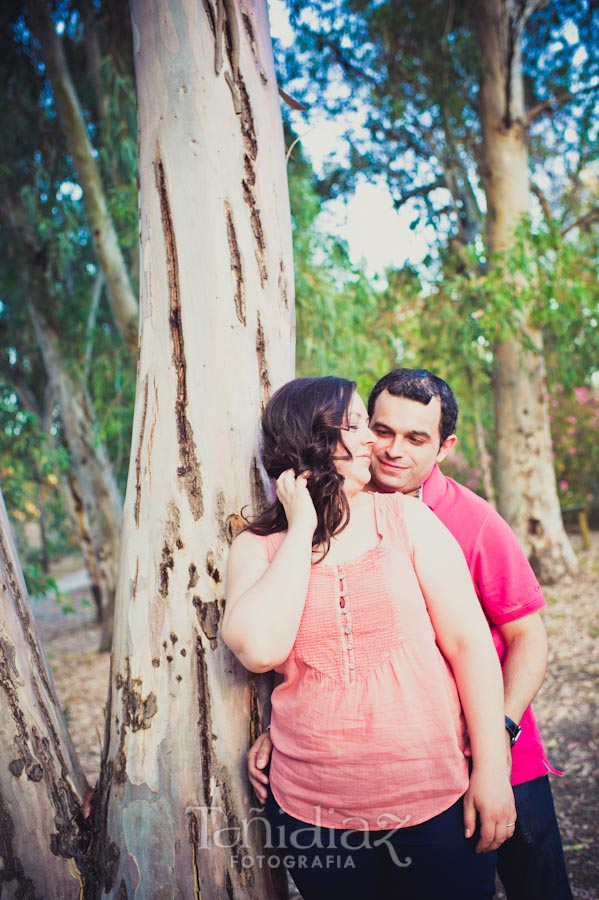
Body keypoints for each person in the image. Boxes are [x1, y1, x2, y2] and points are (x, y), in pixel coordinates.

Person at [248, 368, 572, 900]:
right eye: (383, 430)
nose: (393, 450)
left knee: (538, 883)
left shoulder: (475, 522)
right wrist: (285, 731)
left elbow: (527, 637)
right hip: (395, 768)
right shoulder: (335, 511)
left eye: (416, 439)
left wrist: (496, 738)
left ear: (444, 447)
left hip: (498, 742)